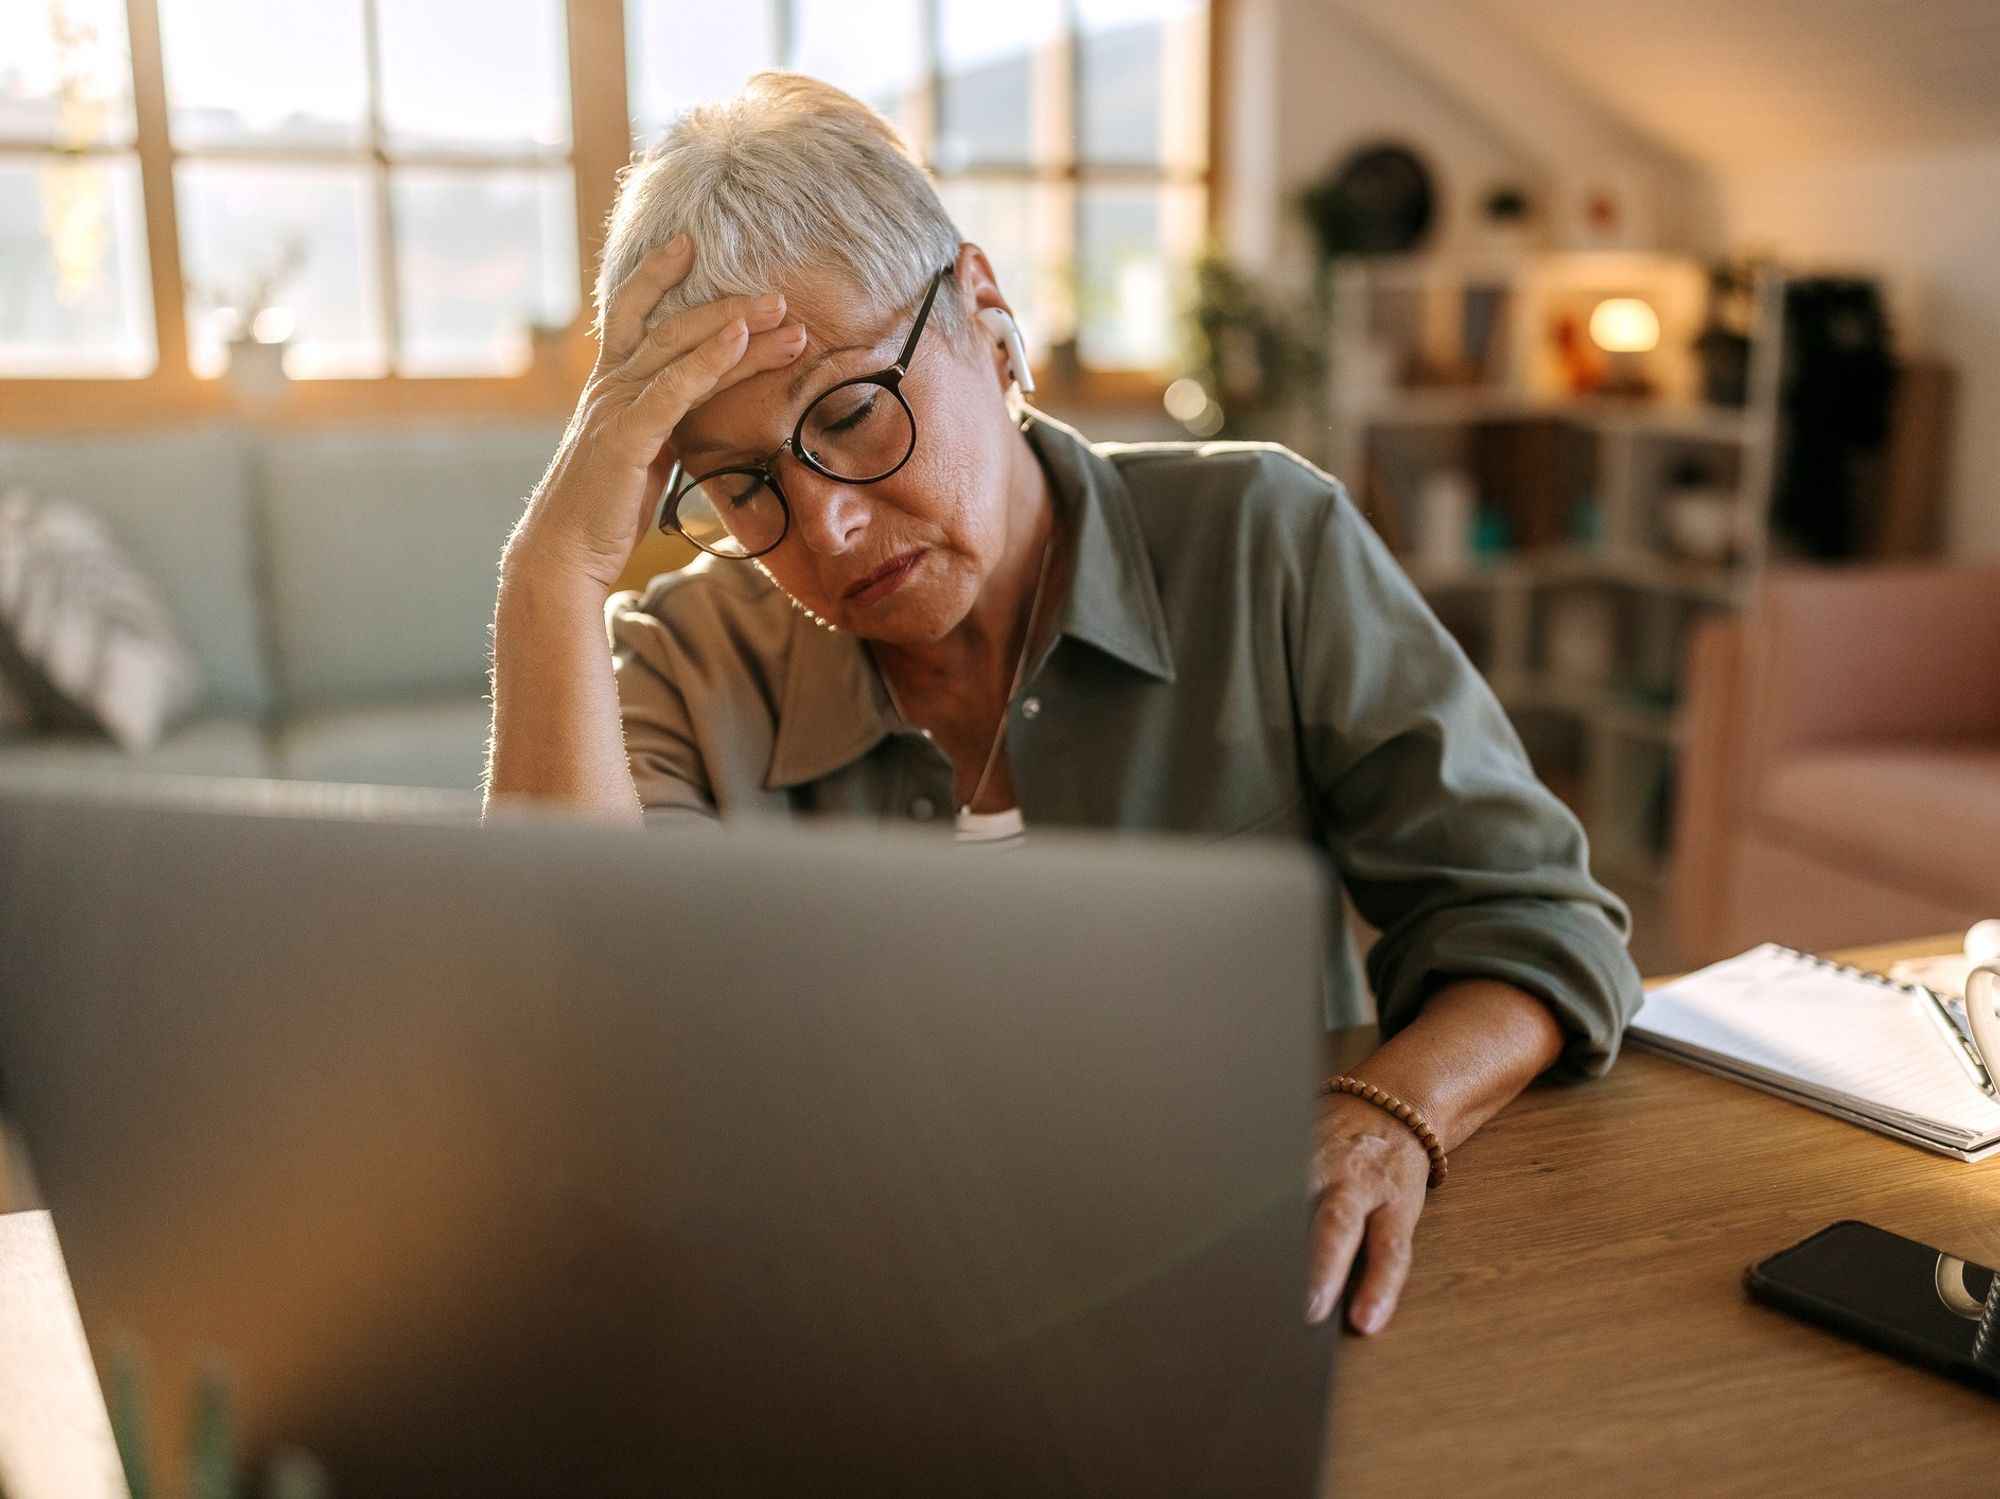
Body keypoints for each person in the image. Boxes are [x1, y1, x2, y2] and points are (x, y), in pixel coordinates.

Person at [485, 72, 1644, 1337]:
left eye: (855, 413)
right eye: (739, 484)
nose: (826, 523)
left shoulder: (1261, 539)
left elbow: (1533, 920)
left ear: (982, 314)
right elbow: (574, 1054)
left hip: (1243, 1282)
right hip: (849, 1310)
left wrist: (1390, 1113)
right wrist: (550, 574)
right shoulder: (680, 659)